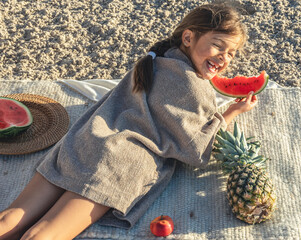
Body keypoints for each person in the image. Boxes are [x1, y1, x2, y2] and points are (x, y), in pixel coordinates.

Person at [0, 2, 258, 239]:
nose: (224, 58)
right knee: (44, 233)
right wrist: (229, 114)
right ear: (188, 37)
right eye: (218, 46)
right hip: (118, 164)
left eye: (232, 53)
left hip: (86, 141)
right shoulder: (193, 86)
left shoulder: (153, 59)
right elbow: (195, 148)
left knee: (11, 218)